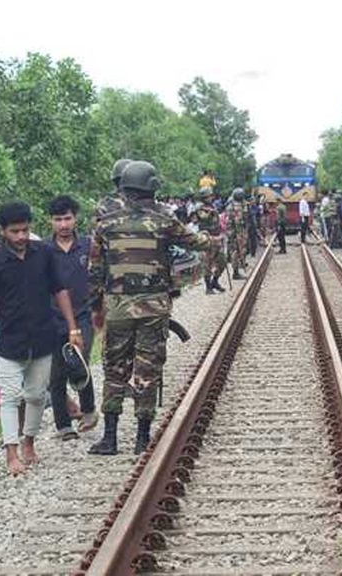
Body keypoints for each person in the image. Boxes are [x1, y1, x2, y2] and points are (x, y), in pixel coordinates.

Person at [88, 161, 212, 455]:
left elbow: (94, 272)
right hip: (154, 308)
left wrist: (96, 308)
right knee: (148, 369)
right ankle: (143, 439)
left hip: (117, 308)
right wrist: (212, 239)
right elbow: (196, 243)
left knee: (115, 369)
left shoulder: (105, 224)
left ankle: (110, 438)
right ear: (152, 187)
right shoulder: (164, 219)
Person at [0, 202, 82, 475]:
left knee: (36, 396)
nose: (21, 237)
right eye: (15, 232)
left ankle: (29, 443)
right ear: (3, 231)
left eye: (25, 230)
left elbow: (59, 290)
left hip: (42, 337)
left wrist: (73, 327)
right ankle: (11, 453)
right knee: (11, 396)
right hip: (8, 342)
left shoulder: (44, 254)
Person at [46, 195, 98, 441]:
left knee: (80, 362)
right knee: (56, 373)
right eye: (58, 219)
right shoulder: (44, 250)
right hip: (52, 318)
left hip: (83, 314)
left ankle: (88, 410)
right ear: (51, 222)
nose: (64, 224)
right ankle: (63, 425)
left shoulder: (88, 246)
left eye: (67, 218)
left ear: (75, 219)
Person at [195, 188, 227, 293]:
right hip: (206, 238)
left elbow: (217, 221)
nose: (211, 198)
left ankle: (215, 281)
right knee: (207, 263)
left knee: (222, 261)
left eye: (211, 196)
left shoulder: (212, 206)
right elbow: (204, 217)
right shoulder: (200, 207)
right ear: (204, 197)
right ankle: (208, 287)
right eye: (209, 196)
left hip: (217, 237)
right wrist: (211, 211)